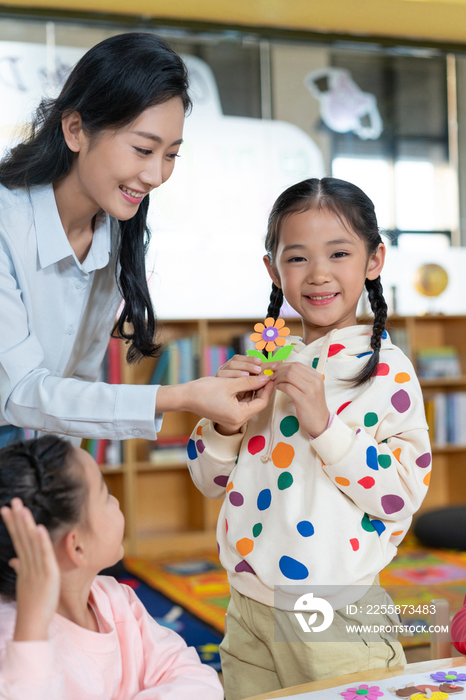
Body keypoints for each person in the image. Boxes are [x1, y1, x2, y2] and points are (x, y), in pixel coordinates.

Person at [186, 177, 432, 699]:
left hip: (336, 612)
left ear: (373, 260)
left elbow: (401, 493)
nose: (318, 274)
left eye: (339, 252)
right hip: (247, 603)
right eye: (296, 258)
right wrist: (225, 424)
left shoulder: (387, 370)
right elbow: (209, 483)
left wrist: (323, 425)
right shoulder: (270, 364)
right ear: (273, 269)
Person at [0, 31, 272, 450]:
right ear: (75, 130)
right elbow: (20, 391)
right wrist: (181, 396)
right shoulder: (6, 222)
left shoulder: (111, 231)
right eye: (143, 149)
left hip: (29, 451)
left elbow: (77, 384)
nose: (156, 175)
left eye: (170, 155)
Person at [0, 434, 224, 699]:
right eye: (105, 494)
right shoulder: (18, 638)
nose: (116, 501)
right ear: (77, 547)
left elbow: (199, 679)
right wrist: (32, 628)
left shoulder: (116, 600)